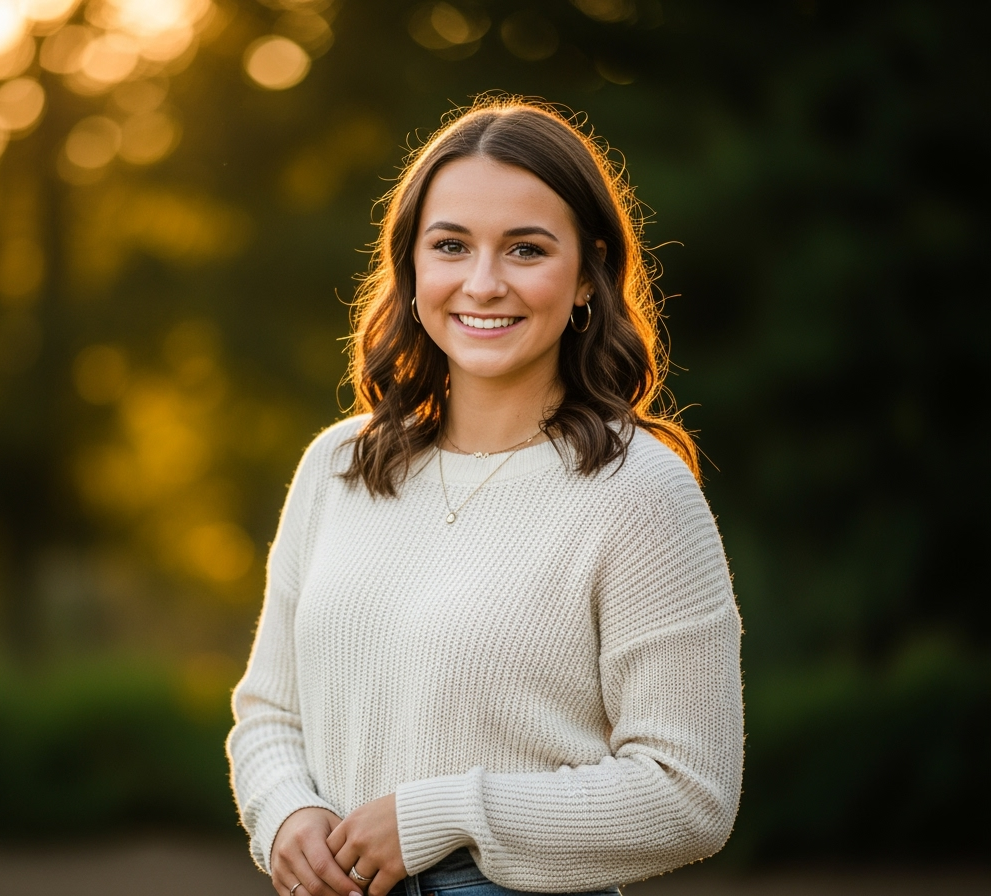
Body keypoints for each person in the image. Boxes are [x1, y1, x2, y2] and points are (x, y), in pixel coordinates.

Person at [227, 98, 743, 896]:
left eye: (527, 250)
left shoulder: (640, 492)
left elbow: (689, 794)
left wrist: (443, 814)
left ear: (587, 275)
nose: (483, 283)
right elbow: (268, 711)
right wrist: (287, 813)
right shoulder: (338, 465)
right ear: (412, 267)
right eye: (451, 246)